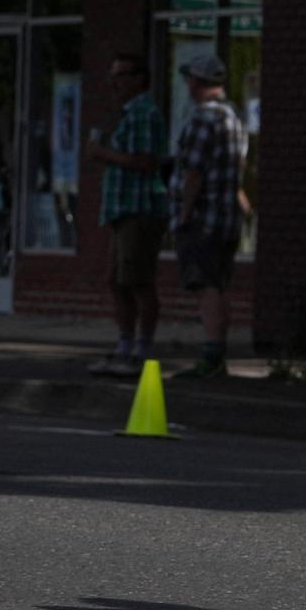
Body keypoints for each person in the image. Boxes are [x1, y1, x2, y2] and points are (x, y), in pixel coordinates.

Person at [85, 53, 167, 377]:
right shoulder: (128, 114)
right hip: (121, 211)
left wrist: (102, 152)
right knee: (116, 281)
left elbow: (145, 161)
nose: (114, 83)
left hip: (140, 208)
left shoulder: (144, 114)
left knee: (138, 280)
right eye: (112, 75)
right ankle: (124, 345)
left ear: (139, 78)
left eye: (120, 75)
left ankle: (142, 350)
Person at [169, 53, 250, 378]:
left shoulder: (204, 118)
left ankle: (212, 355)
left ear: (197, 82)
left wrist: (185, 213)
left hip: (205, 217)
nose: (187, 84)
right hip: (227, 216)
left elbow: (194, 173)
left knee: (205, 285)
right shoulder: (233, 116)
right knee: (217, 283)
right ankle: (217, 353)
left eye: (190, 78)